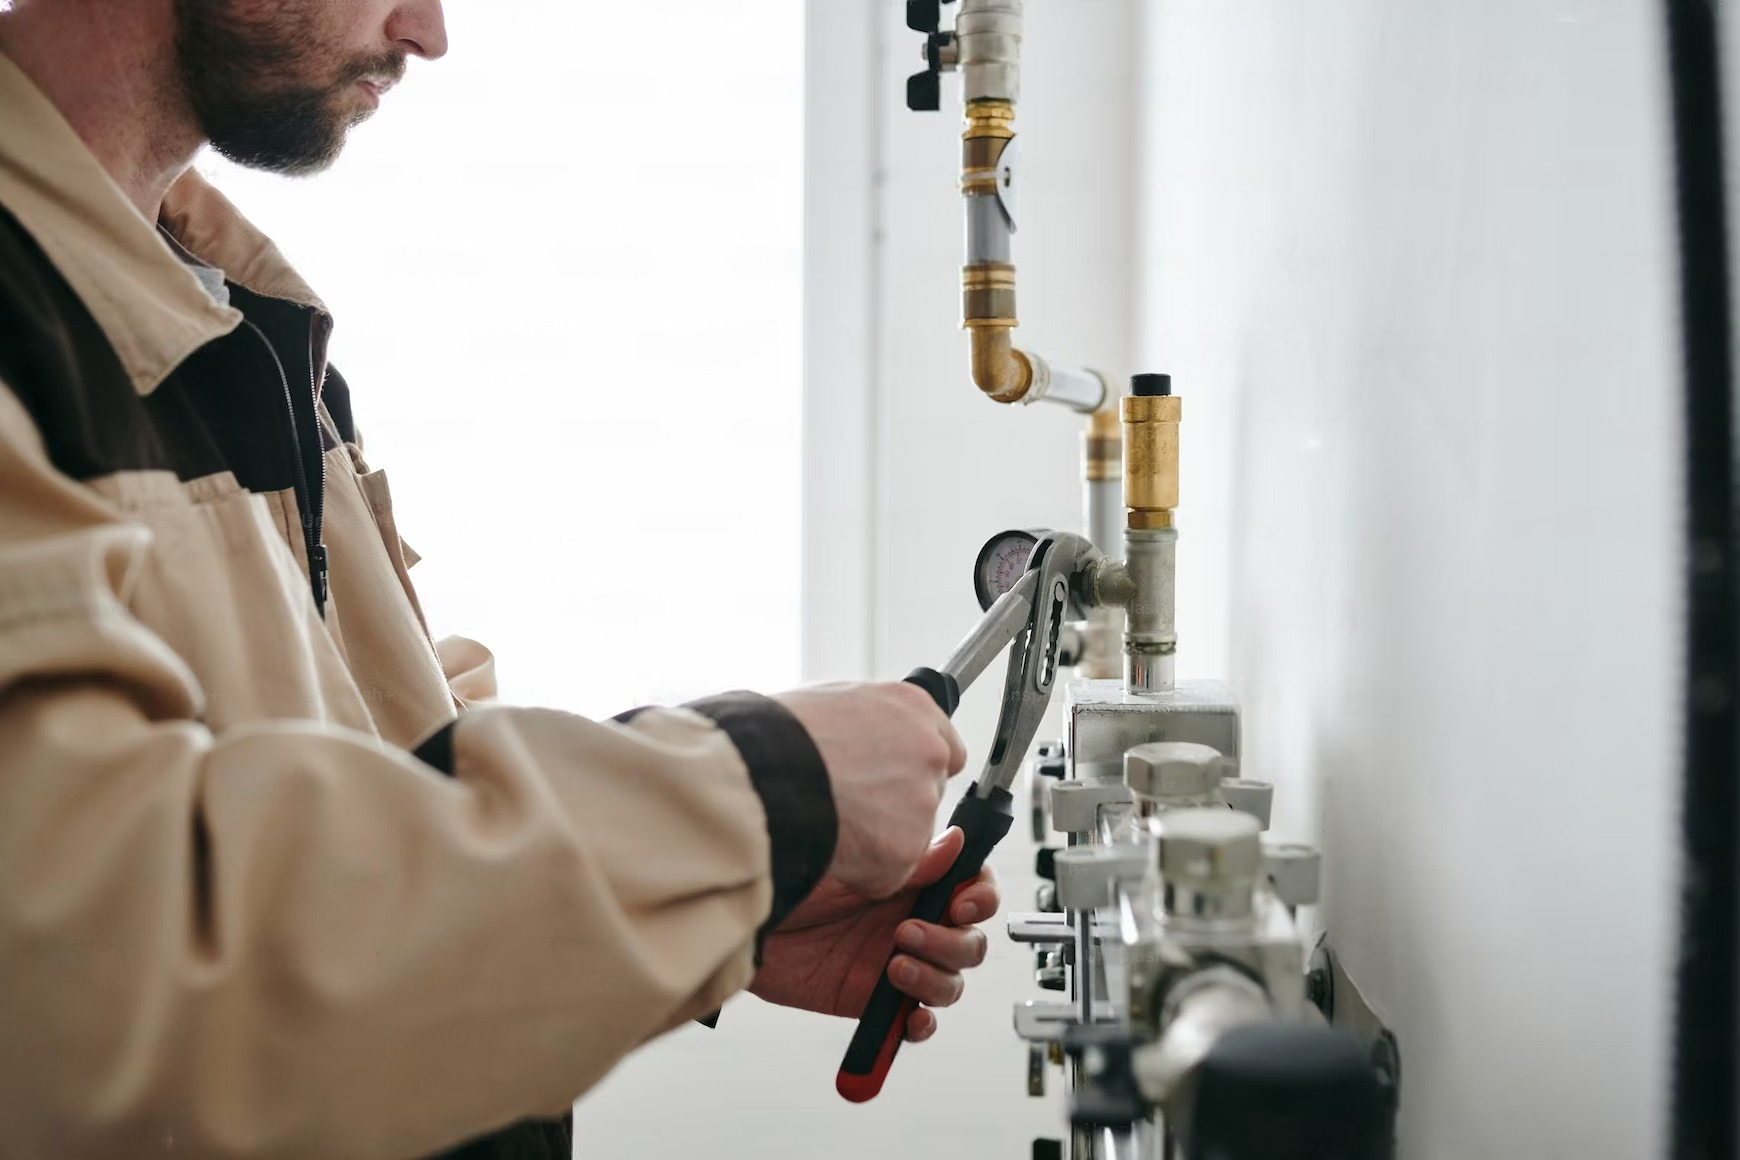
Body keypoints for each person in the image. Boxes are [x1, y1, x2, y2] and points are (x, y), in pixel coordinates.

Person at [0, 2, 1003, 1157]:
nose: (426, 31)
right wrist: (755, 802)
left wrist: (714, 916)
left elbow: (364, 799)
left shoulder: (235, 313)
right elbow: (116, 958)